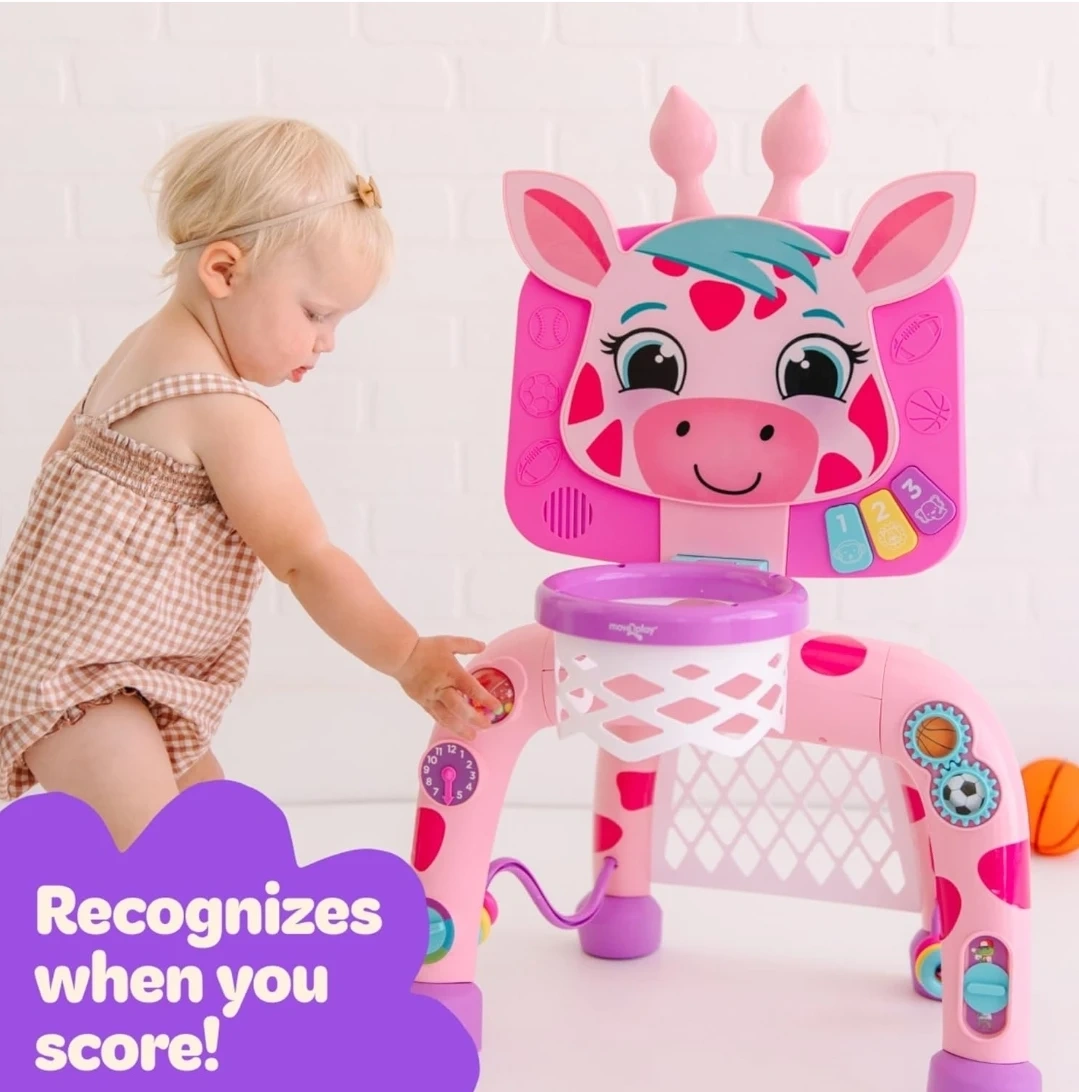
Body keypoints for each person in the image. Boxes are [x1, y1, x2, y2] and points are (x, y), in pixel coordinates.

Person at [0, 117, 500, 849]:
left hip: (123, 674)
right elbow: (305, 559)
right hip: (87, 687)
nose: (326, 342)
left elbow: (57, 471)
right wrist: (404, 654)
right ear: (225, 272)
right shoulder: (225, 410)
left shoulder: (136, 354)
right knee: (167, 867)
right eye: (316, 313)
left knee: (223, 847)